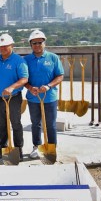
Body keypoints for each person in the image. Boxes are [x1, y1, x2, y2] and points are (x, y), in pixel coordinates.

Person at [24, 30, 64, 159]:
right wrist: (30, 87)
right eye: (34, 43)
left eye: (40, 42)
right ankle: (37, 146)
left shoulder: (53, 58)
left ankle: (52, 147)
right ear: (31, 45)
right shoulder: (26, 60)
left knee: (50, 124)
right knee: (35, 124)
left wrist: (48, 86)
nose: (37, 45)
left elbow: (60, 76)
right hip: (33, 98)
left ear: (44, 43)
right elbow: (23, 78)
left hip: (50, 97)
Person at [0, 34, 28, 161]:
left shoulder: (19, 60)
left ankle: (18, 149)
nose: (3, 48)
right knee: (2, 124)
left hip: (14, 97)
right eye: (0, 47)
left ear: (12, 45)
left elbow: (24, 78)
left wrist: (12, 87)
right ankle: (3, 147)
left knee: (16, 124)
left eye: (5, 46)